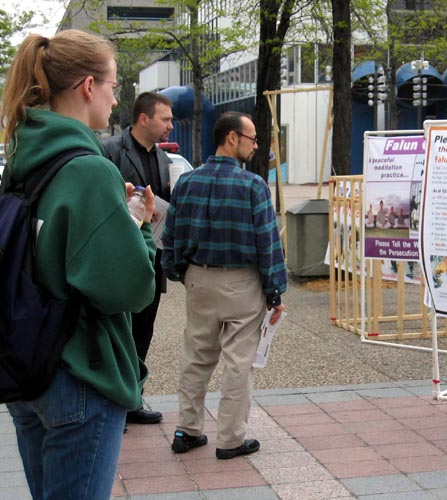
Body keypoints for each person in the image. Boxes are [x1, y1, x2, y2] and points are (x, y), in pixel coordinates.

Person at [1, 30, 157, 499]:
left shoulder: (23, 159)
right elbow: (130, 287)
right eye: (113, 86)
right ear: (88, 86)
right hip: (81, 373)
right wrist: (138, 226)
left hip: (28, 366)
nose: (116, 99)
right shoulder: (90, 170)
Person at [161, 111, 287, 460]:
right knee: (238, 362)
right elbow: (268, 243)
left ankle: (187, 430)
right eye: (253, 139)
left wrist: (178, 272)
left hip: (198, 279)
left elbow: (171, 235)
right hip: (242, 283)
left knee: (196, 357)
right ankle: (230, 439)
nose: (256, 146)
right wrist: (275, 290)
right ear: (232, 138)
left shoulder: (186, 182)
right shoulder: (253, 186)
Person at [101, 91, 174, 426]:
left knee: (144, 330)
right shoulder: (110, 151)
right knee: (118, 332)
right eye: (165, 119)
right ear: (144, 118)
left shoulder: (163, 159)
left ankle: (132, 399)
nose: (170, 125)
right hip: (118, 257)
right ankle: (113, 404)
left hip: (152, 258)